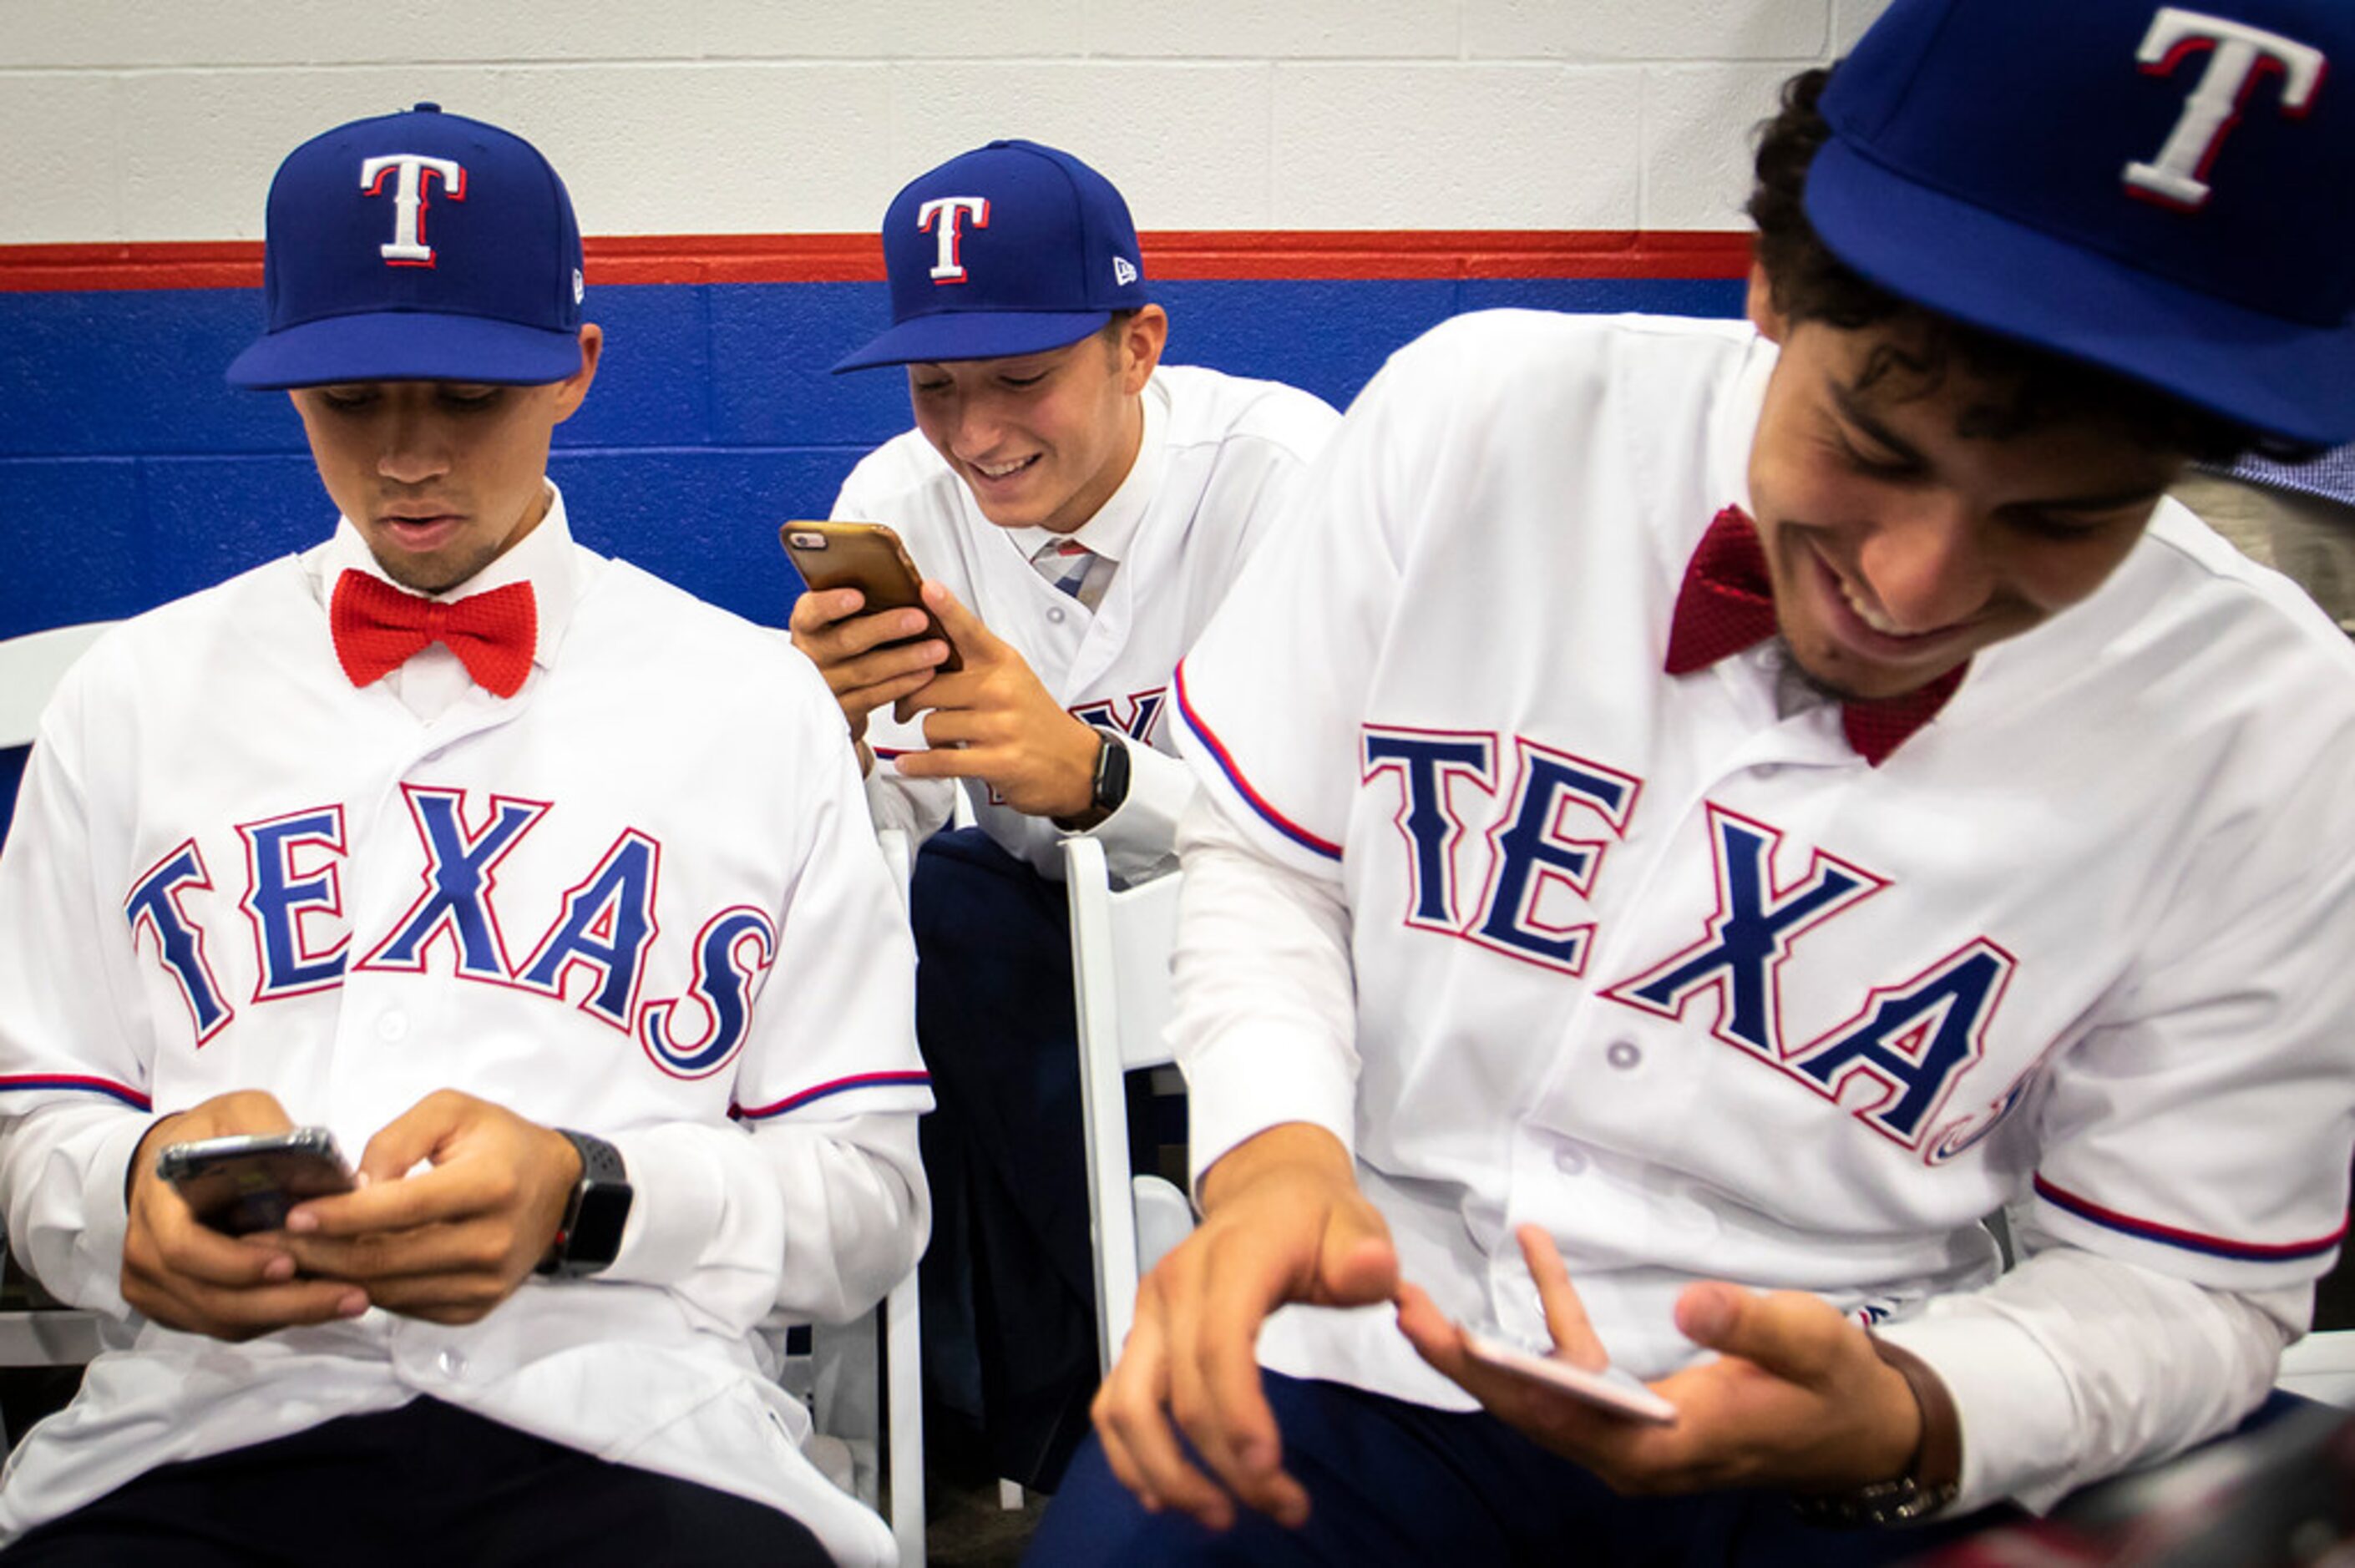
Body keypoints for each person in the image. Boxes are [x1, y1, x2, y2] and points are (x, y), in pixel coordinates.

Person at [1031, 0, 2355, 1561]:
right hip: (1362, 1332)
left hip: (1841, 1394)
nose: (1920, 586)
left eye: (2064, 519)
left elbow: (2191, 1284)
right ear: (1772, 284)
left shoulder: (2269, 722)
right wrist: (1273, 1149)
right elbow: (1277, 865)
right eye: (1876, 443)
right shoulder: (1481, 422)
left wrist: (1925, 1409)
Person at [0, 104, 931, 1567]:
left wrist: (594, 1192)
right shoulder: (132, 696)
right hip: (207, 1424)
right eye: (352, 399)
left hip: (637, 1424)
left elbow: (870, 1200)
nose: (411, 457)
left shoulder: (754, 702)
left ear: (578, 367)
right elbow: (38, 1129)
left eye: (467, 393)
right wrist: (127, 1195)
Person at [791, 139, 1339, 1490]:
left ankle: (1177, 1394)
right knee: (947, 904)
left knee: (1008, 912)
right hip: (1022, 942)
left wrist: (1100, 780)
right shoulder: (897, 502)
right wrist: (824, 735)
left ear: (1137, 344)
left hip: (1273, 928)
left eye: (1023, 377)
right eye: (937, 385)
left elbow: (1353, 834)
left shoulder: (1284, 470)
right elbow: (891, 834)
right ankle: (1093, 1414)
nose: (977, 431)